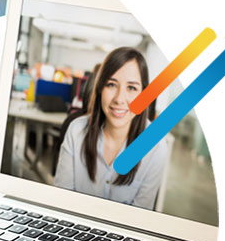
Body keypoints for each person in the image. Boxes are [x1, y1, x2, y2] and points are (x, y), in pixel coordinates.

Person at [52, 47, 167, 209]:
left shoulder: (155, 148)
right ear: (100, 88)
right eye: (111, 85)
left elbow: (139, 217)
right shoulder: (77, 131)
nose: (119, 99)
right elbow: (61, 201)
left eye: (131, 88)